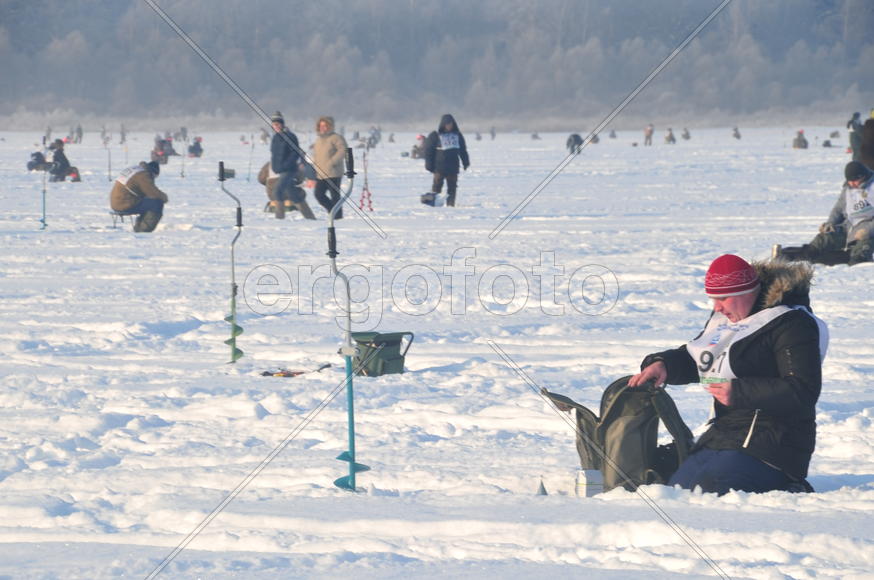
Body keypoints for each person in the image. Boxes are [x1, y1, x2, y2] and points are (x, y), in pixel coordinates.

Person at [629, 254, 828, 495]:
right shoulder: (725, 319)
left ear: (750, 291)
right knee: (678, 490)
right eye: (713, 299)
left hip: (776, 441)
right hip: (723, 434)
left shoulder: (791, 323)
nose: (717, 307)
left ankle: (789, 487)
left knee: (712, 490)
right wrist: (664, 365)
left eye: (724, 298)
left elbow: (802, 389)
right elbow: (704, 358)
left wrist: (739, 391)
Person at [789, 161, 874, 266]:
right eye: (850, 181)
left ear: (863, 176)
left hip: (868, 230)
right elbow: (838, 209)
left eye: (855, 180)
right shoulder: (848, 189)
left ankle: (854, 261)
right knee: (824, 240)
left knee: (861, 251)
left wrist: (869, 230)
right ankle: (797, 258)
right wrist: (830, 223)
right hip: (850, 227)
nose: (852, 184)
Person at [424, 113, 470, 207]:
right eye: (447, 123)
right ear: (443, 124)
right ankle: (435, 205)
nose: (449, 126)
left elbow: (462, 150)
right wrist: (429, 165)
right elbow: (429, 151)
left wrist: (465, 162)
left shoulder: (457, 135)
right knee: (436, 187)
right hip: (439, 167)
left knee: (452, 188)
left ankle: (450, 205)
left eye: (451, 124)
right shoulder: (435, 135)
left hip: (453, 167)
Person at [110, 161, 169, 233]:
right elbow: (152, 192)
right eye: (154, 177)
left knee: (148, 202)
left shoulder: (136, 170)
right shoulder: (143, 175)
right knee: (157, 203)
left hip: (116, 202)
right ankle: (143, 231)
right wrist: (164, 197)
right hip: (124, 203)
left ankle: (139, 228)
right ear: (153, 172)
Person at [312, 116, 349, 219]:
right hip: (321, 173)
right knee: (318, 194)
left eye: (325, 125)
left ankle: (337, 218)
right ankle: (332, 212)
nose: (323, 127)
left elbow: (343, 150)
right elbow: (316, 155)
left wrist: (332, 162)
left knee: (335, 197)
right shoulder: (318, 139)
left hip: (334, 172)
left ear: (330, 126)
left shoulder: (336, 138)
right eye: (321, 125)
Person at [269, 111, 304, 220]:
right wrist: (275, 167)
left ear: (282, 124)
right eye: (274, 125)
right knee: (293, 194)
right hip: (280, 170)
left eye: (278, 124)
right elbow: (274, 154)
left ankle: (279, 218)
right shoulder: (275, 137)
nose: (276, 126)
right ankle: (310, 217)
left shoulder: (290, 136)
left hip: (289, 169)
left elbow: (295, 153)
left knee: (277, 191)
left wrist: (286, 165)